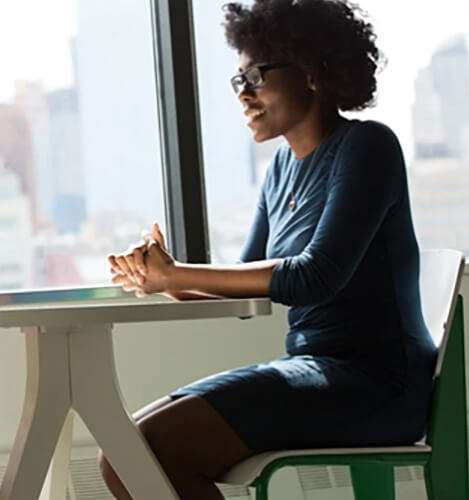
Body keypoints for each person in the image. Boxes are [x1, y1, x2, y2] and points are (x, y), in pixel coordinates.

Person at [102, 1, 437, 499]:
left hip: (377, 383)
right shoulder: (280, 170)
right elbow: (247, 293)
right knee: (122, 456)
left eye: (256, 76)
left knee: (144, 453)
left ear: (312, 71)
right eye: (238, 81)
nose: (244, 94)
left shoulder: (367, 146)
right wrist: (160, 280)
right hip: (313, 370)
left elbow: (314, 277)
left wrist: (178, 274)